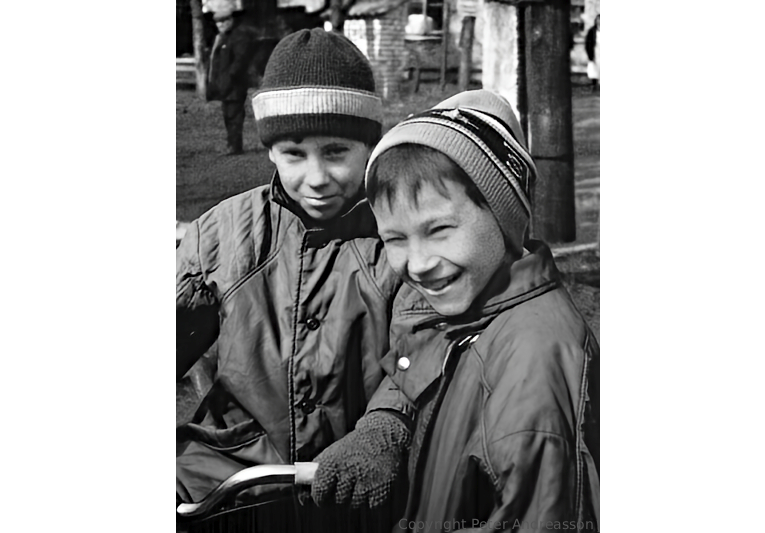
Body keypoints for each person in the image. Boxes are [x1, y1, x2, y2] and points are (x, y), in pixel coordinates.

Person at [312, 90, 600, 532]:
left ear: (505, 218)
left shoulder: (535, 363)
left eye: (440, 230)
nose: (418, 262)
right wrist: (386, 426)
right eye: (395, 239)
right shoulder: (470, 311)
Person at [176, 28, 413, 529]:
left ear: (370, 145)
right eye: (294, 154)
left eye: (335, 151)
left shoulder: (401, 237)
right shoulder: (225, 233)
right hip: (232, 476)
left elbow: (427, 344)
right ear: (269, 152)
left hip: (359, 483)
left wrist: (386, 424)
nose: (317, 177)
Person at [206, 8, 256, 155]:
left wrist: (229, 78)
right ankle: (232, 144)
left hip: (235, 85)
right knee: (228, 115)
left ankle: (234, 146)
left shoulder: (239, 36)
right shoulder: (223, 37)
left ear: (230, 21)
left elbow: (239, 62)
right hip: (225, 85)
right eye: (218, 23)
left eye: (223, 22)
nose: (220, 25)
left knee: (234, 115)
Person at [585, 14, 600, 92]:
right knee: (594, 69)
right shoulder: (592, 31)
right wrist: (590, 53)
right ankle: (594, 85)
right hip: (595, 52)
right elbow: (588, 43)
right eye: (598, 19)